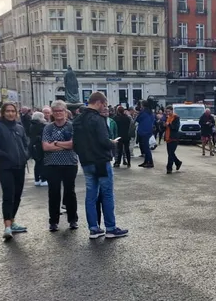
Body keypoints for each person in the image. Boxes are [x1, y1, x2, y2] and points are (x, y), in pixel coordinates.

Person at [73, 91, 127, 239]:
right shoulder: (98, 119)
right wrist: (112, 143)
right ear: (99, 102)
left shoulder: (77, 119)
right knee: (107, 194)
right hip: (101, 161)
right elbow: (104, 141)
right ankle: (110, 228)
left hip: (86, 161)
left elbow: (75, 143)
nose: (105, 107)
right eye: (104, 104)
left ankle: (94, 228)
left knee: (91, 196)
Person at [0, 102, 30, 241]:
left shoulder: (19, 127)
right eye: (8, 111)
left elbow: (26, 144)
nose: (10, 113)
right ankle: (7, 227)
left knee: (17, 196)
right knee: (8, 195)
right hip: (6, 167)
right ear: (3, 113)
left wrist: (26, 155)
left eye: (13, 111)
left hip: (20, 166)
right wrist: (5, 155)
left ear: (16, 113)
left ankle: (12, 221)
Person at [42, 100, 78, 231]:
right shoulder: (48, 128)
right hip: (52, 164)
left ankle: (73, 219)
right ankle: (53, 221)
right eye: (56, 111)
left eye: (61, 111)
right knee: (53, 193)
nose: (58, 113)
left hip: (70, 163)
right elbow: (45, 147)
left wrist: (55, 143)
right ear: (52, 113)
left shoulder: (72, 126)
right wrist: (64, 145)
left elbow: (73, 144)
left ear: (65, 112)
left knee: (70, 192)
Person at [28, 111, 47, 186]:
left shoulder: (32, 125)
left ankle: (37, 179)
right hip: (39, 146)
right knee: (42, 163)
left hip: (34, 146)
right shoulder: (40, 125)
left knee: (38, 163)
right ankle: (43, 179)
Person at [135, 104, 156, 168]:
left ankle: (150, 162)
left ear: (143, 106)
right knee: (146, 147)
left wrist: (139, 113)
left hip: (143, 132)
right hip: (148, 131)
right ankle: (146, 161)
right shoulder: (151, 113)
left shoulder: (143, 113)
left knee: (146, 148)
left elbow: (137, 119)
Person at [164, 105, 183, 174]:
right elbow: (166, 128)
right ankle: (178, 162)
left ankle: (169, 168)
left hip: (174, 138)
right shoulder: (167, 117)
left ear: (172, 111)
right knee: (170, 153)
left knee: (170, 154)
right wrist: (163, 125)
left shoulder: (176, 117)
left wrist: (169, 124)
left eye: (169, 111)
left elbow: (176, 128)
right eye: (167, 111)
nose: (168, 113)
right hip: (168, 138)